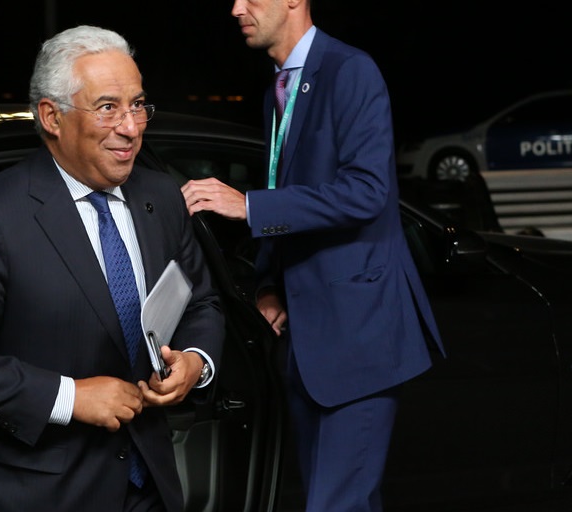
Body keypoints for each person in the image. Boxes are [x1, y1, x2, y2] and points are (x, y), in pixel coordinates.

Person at [0, 25, 224, 512]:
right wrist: (69, 398)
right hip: (33, 492)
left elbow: (201, 300)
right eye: (108, 107)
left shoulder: (161, 196)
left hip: (148, 485)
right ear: (52, 117)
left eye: (138, 105)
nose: (131, 127)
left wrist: (195, 362)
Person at [180, 1, 445, 510]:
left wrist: (249, 206)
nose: (236, 8)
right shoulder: (277, 89)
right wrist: (269, 284)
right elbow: (289, 189)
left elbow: (368, 192)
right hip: (305, 341)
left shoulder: (351, 71)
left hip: (358, 336)